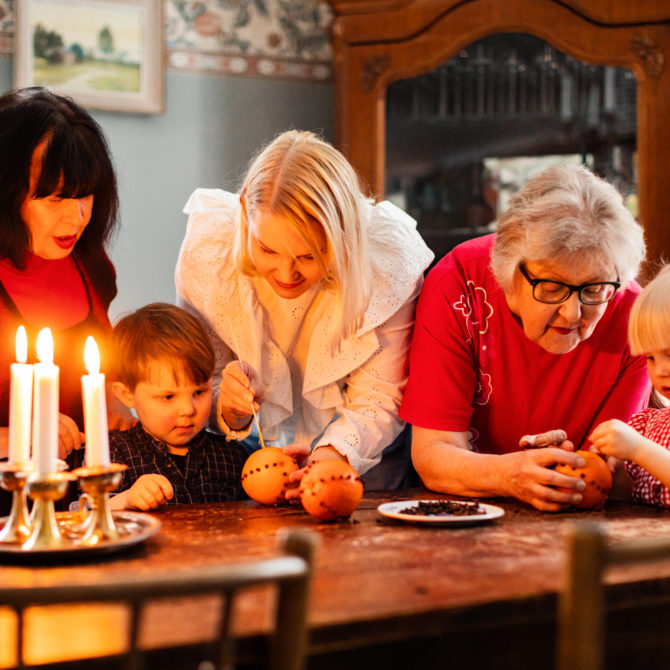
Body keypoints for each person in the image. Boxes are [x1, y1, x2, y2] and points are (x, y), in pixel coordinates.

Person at [175, 130, 434, 491]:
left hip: (361, 469)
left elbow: (378, 396)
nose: (286, 273)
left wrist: (331, 458)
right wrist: (230, 407)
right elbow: (204, 378)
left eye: (309, 256)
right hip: (250, 462)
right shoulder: (209, 253)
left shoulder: (387, 264)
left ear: (345, 234)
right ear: (245, 209)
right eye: (267, 250)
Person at [399, 162, 650, 511]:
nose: (572, 313)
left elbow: (609, 469)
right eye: (551, 287)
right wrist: (510, 473)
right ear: (507, 270)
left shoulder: (635, 314)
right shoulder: (458, 284)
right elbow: (432, 455)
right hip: (462, 516)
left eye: (593, 289)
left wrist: (569, 467)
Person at [0, 87, 129, 513]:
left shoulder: (92, 265)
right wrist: (17, 436)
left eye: (85, 194)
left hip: (83, 508)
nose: (76, 217)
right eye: (55, 197)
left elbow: (101, 382)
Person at [69, 303, 246, 511]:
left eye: (199, 392)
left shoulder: (231, 456)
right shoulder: (113, 452)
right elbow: (83, 511)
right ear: (127, 395)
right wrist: (126, 500)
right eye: (168, 396)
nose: (188, 409)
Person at [590, 266, 670, 507]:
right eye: (650, 357)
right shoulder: (646, 426)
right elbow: (624, 498)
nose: (660, 370)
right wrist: (612, 468)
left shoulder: (640, 442)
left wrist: (638, 450)